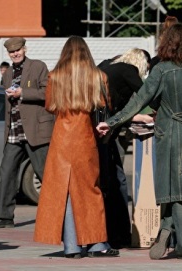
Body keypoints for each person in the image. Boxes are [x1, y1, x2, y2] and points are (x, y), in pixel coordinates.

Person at [96, 23, 182, 260]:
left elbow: (139, 101)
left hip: (169, 135)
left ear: (166, 44)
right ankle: (172, 232)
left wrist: (113, 121)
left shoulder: (162, 69)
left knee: (175, 190)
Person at [33, 36, 119, 259]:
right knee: (90, 190)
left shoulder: (55, 76)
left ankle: (72, 246)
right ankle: (96, 243)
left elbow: (50, 105)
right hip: (85, 138)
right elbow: (104, 103)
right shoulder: (98, 76)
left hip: (61, 140)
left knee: (66, 192)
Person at [0, 37, 54, 229]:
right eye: (11, 52)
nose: (15, 54)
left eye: (18, 50)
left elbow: (47, 92)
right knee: (6, 172)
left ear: (25, 49)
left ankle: (58, 214)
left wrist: (22, 93)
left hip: (35, 130)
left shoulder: (37, 66)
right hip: (14, 131)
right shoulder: (7, 73)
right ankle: (4, 217)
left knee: (45, 174)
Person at [99, 48, 154, 249]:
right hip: (104, 129)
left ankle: (112, 234)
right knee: (116, 181)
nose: (145, 73)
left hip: (99, 127)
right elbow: (147, 94)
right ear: (141, 62)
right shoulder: (128, 70)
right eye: (146, 69)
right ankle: (118, 234)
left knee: (112, 180)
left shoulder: (108, 66)